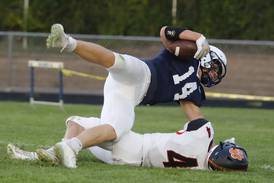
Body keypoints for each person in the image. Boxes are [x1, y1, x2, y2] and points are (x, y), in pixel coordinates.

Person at [43, 24, 227, 168]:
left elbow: (197, 121)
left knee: (115, 130)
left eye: (217, 74)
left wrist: (209, 147)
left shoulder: (195, 90)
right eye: (216, 69)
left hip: (130, 96)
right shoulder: (189, 53)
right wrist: (198, 38)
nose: (214, 75)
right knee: (117, 61)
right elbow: (165, 32)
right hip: (144, 73)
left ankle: (67, 147)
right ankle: (67, 42)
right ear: (209, 55)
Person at [7, 116, 248, 171]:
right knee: (84, 138)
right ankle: (51, 153)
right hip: (129, 163)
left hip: (133, 144)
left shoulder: (205, 133)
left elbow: (194, 121)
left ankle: (58, 151)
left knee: (75, 123)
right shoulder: (202, 168)